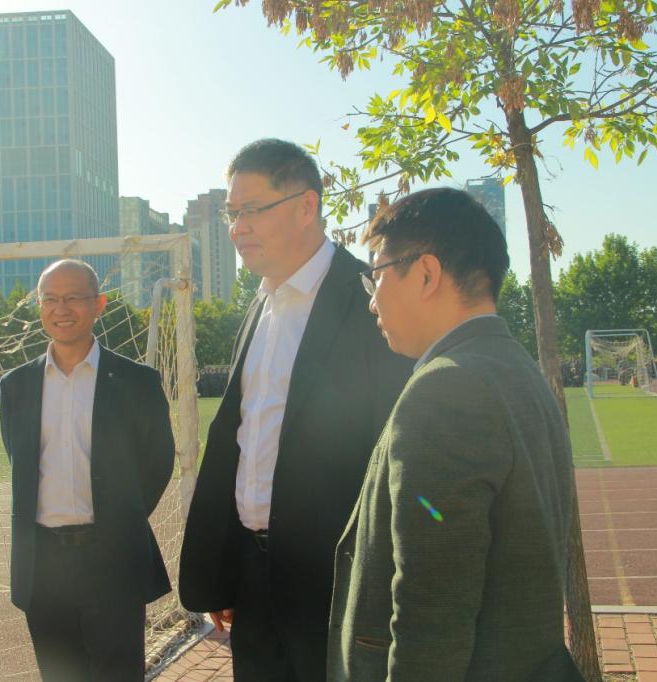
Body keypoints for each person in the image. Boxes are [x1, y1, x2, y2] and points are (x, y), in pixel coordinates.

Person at [327, 187, 582, 681]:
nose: (372, 301)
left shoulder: (446, 389)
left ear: (426, 273)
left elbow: (430, 614)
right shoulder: (515, 367)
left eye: (376, 275)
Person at [179, 139, 411, 681]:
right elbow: (242, 443)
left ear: (307, 206)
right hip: (253, 580)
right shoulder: (260, 304)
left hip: (337, 585)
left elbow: (397, 455)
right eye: (231, 214)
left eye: (252, 210)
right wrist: (227, 569)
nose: (238, 227)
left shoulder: (370, 300)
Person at [0, 259, 174, 681]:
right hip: (43, 565)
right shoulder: (16, 385)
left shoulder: (137, 381)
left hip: (111, 557)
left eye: (73, 297)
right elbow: (19, 461)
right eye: (50, 299)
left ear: (99, 304)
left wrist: (119, 517)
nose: (60, 309)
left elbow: (157, 462)